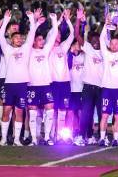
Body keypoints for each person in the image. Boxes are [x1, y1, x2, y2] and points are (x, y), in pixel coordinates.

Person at [0, 9, 44, 146]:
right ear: (11, 39)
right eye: (16, 38)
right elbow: (0, 36)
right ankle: (4, 139)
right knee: (6, 110)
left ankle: (17, 139)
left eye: (20, 38)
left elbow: (31, 35)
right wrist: (5, 20)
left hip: (22, 85)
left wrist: (31, 19)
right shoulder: (7, 49)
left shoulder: (25, 48)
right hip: (9, 84)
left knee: (19, 111)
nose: (19, 39)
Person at [25, 11, 60, 146]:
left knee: (50, 110)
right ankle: (34, 139)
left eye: (42, 39)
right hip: (32, 85)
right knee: (32, 113)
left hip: (46, 85)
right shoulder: (29, 50)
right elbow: (30, 36)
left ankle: (47, 138)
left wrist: (54, 20)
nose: (42, 41)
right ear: (34, 41)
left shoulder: (45, 50)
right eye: (39, 39)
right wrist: (33, 20)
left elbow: (52, 38)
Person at [98, 13, 118, 147]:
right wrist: (106, 25)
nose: (114, 45)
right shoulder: (106, 54)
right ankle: (102, 138)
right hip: (107, 89)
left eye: (116, 43)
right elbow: (101, 39)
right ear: (109, 44)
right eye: (112, 43)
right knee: (104, 115)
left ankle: (115, 139)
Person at [49, 9, 75, 142]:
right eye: (56, 34)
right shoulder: (47, 48)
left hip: (65, 83)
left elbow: (72, 35)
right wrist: (57, 22)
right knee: (51, 111)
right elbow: (51, 33)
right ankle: (51, 134)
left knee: (62, 110)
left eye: (59, 34)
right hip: (52, 83)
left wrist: (68, 20)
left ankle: (59, 135)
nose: (58, 36)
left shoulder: (63, 47)